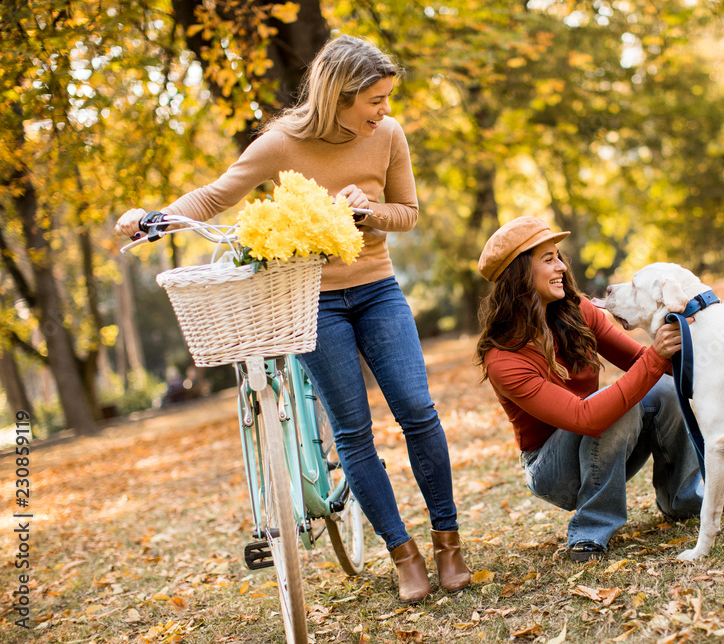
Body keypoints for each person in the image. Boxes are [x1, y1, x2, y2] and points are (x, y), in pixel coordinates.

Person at [116, 34, 470, 603]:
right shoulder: (280, 144)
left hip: (378, 290)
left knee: (417, 410)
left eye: (386, 99)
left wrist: (368, 210)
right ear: (340, 95)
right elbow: (214, 196)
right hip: (312, 301)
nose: (384, 111)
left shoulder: (389, 136)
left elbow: (407, 213)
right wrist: (153, 219)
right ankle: (403, 555)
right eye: (374, 100)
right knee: (353, 431)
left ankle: (448, 543)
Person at [475, 216, 710, 561]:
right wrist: (656, 358)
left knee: (663, 388)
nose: (561, 267)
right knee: (618, 400)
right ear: (519, 274)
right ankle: (590, 530)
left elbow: (640, 361)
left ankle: (684, 499)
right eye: (548, 259)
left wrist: (697, 346)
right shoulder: (503, 358)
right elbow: (587, 418)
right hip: (553, 469)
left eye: (558, 256)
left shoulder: (576, 311)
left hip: (604, 447)